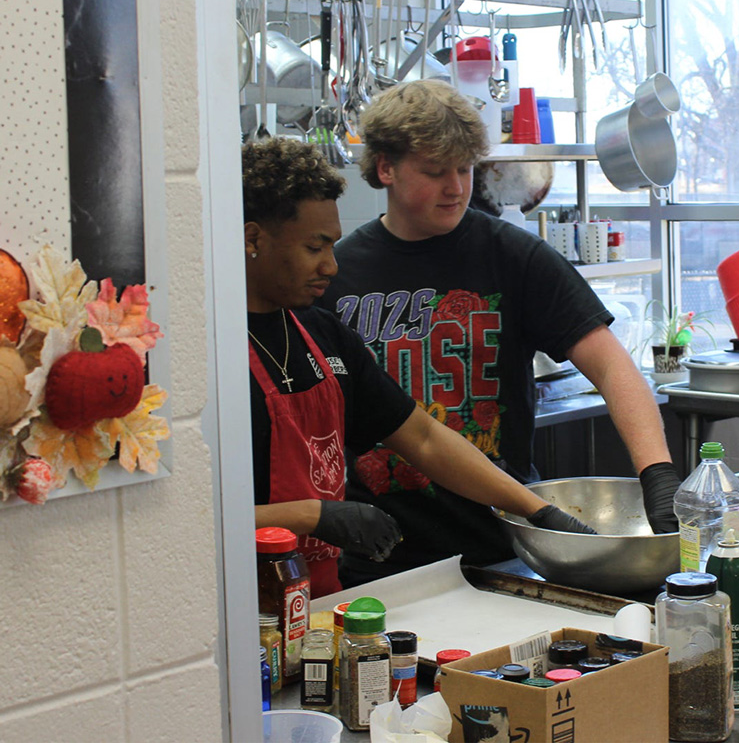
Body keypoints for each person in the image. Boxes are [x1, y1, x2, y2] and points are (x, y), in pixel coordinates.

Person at [320, 79, 682, 584]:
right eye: (434, 171)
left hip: (500, 547)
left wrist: (657, 474)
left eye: (465, 169)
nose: (456, 188)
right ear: (385, 168)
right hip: (375, 556)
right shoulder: (335, 274)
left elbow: (611, 367)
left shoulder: (514, 256)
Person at [243, 136, 591, 598]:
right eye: (314, 248)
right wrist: (311, 515)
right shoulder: (209, 359)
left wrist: (538, 511)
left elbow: (423, 437)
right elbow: (192, 522)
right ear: (253, 239)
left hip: (319, 599)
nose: (331, 266)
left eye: (334, 246)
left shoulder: (321, 334)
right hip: (241, 604)